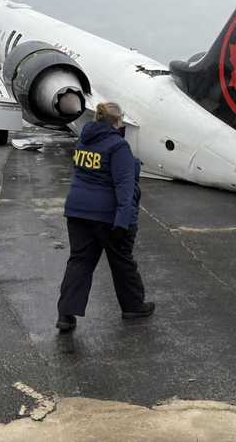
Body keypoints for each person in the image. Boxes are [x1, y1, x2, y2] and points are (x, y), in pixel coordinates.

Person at [56, 102, 152, 332]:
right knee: (122, 261)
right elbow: (124, 186)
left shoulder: (83, 141)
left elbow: (86, 173)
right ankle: (133, 306)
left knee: (80, 261)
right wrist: (122, 221)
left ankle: (66, 315)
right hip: (106, 215)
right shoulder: (118, 147)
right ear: (117, 122)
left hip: (77, 211)